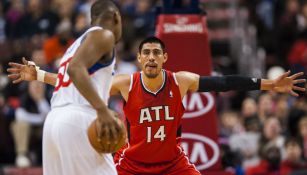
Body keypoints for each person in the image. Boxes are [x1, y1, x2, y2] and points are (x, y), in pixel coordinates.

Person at [8, 37, 306, 174]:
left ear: (165, 58)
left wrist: (270, 84)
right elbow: (77, 84)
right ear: (139, 59)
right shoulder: (126, 83)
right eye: (146, 53)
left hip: (173, 163)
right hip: (132, 164)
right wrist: (40, 74)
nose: (151, 57)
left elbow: (226, 82)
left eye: (156, 53)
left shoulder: (181, 81)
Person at [8, 0, 123, 175]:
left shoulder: (76, 45)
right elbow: (75, 70)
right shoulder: (104, 35)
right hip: (79, 119)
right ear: (116, 17)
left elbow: (70, 78)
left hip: (55, 121)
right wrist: (102, 110)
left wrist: (40, 75)